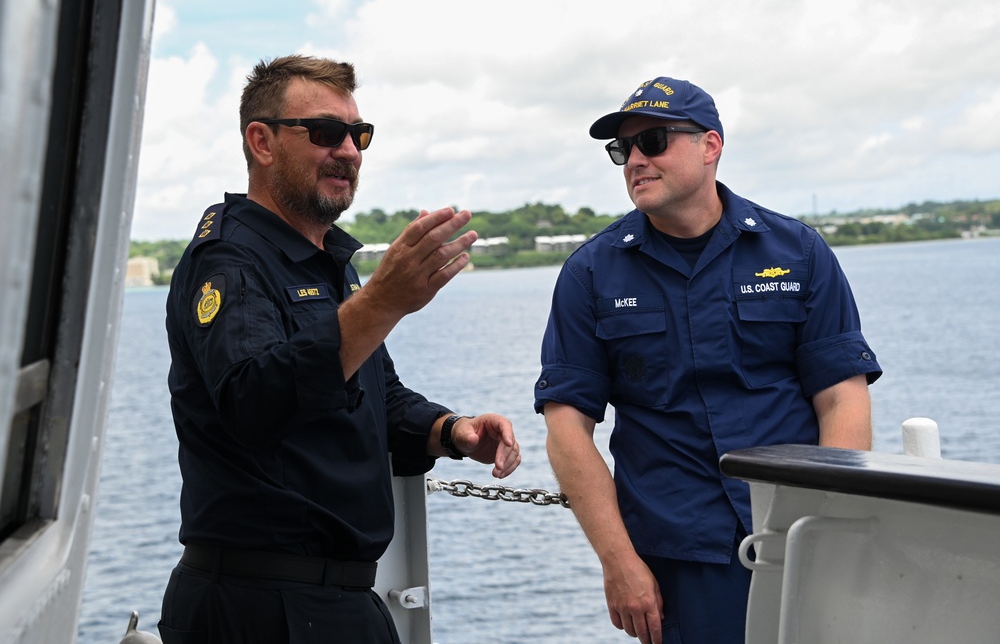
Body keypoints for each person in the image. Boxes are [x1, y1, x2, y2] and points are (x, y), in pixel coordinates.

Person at [158, 54, 521, 644]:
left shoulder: (327, 266)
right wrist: (382, 301)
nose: (349, 151)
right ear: (263, 141)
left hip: (338, 604)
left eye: (360, 135)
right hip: (260, 610)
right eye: (327, 133)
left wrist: (451, 431)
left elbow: (375, 395)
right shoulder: (229, 261)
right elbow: (253, 399)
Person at [534, 77, 881, 644]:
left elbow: (842, 395)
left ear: (710, 146)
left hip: (798, 537)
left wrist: (829, 526)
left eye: (653, 140)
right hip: (679, 558)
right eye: (622, 150)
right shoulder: (591, 273)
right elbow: (566, 429)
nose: (634, 161)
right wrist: (618, 562)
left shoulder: (798, 252)